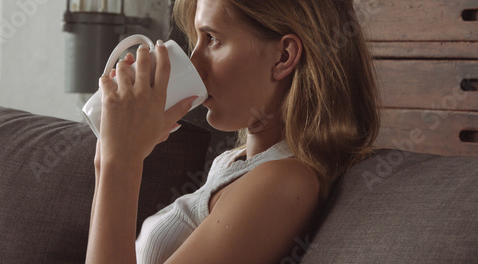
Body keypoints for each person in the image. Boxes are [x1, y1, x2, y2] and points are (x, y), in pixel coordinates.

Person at [85, 0, 380, 263]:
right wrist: (113, 147)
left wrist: (122, 160)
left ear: (283, 57)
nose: (195, 64)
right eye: (196, 41)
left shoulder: (285, 182)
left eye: (212, 39)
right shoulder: (233, 162)